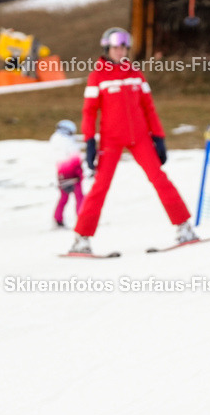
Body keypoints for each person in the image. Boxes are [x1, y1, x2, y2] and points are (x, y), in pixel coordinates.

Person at [69, 27, 198, 254]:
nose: (121, 52)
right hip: (111, 139)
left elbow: (149, 107)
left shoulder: (136, 74)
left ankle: (184, 227)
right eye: (116, 47)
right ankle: (82, 239)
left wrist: (159, 137)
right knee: (100, 186)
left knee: (160, 179)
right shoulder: (98, 76)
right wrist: (90, 142)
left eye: (124, 47)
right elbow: (89, 112)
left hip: (140, 137)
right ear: (107, 48)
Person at [51, 119, 84, 227]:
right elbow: (75, 156)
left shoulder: (55, 140)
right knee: (79, 196)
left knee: (64, 197)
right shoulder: (67, 141)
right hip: (72, 172)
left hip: (61, 173)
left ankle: (58, 219)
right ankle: (82, 218)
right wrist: (79, 171)